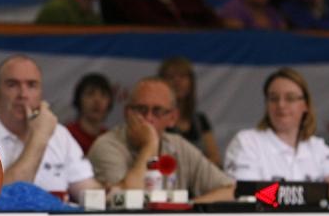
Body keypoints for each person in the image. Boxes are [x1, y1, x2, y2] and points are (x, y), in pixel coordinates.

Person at [0, 55, 102, 202]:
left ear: (40, 93)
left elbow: (90, 192)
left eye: (31, 85)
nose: (23, 95)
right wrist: (39, 137)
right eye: (12, 85)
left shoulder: (59, 133)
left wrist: (113, 195)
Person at [87, 77, 234, 202]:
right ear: (127, 113)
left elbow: (231, 190)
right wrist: (150, 144)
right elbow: (128, 200)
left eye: (157, 111)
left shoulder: (178, 145)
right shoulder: (106, 146)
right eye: (141, 110)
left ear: (172, 118)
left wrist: (188, 207)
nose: (149, 118)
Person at [224, 67, 329, 193]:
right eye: (273, 98)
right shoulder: (247, 142)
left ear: (305, 105)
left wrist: (295, 194)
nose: (281, 105)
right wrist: (312, 194)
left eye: (290, 98)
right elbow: (245, 193)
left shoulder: (318, 148)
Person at [158, 56, 220, 165]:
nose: (177, 82)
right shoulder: (155, 119)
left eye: (182, 76)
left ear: (191, 82)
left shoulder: (200, 120)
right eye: (171, 77)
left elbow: (215, 158)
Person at [64, 72, 112, 155]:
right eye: (90, 94)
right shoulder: (66, 135)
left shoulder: (110, 139)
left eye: (103, 95)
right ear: (79, 99)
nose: (97, 100)